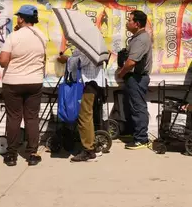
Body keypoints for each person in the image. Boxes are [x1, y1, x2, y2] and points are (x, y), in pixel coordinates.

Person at [0, 5, 47, 167]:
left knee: (14, 117)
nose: (17, 19)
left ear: (22, 18)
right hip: (35, 81)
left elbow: (3, 61)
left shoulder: (13, 36)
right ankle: (32, 153)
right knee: (32, 118)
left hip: (13, 82)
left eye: (18, 17)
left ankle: (11, 154)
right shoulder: (42, 36)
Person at [58, 48, 106, 163]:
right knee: (87, 116)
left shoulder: (88, 45)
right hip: (89, 83)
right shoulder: (89, 43)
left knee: (84, 116)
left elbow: (82, 61)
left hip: (88, 83)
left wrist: (67, 59)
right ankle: (92, 146)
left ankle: (89, 151)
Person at [115, 10, 153, 150]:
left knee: (138, 107)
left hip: (137, 78)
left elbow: (131, 62)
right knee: (130, 106)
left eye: (129, 20)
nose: (127, 23)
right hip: (132, 78)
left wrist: (121, 73)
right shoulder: (136, 38)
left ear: (137, 24)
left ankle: (142, 139)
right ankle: (132, 132)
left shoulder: (142, 39)